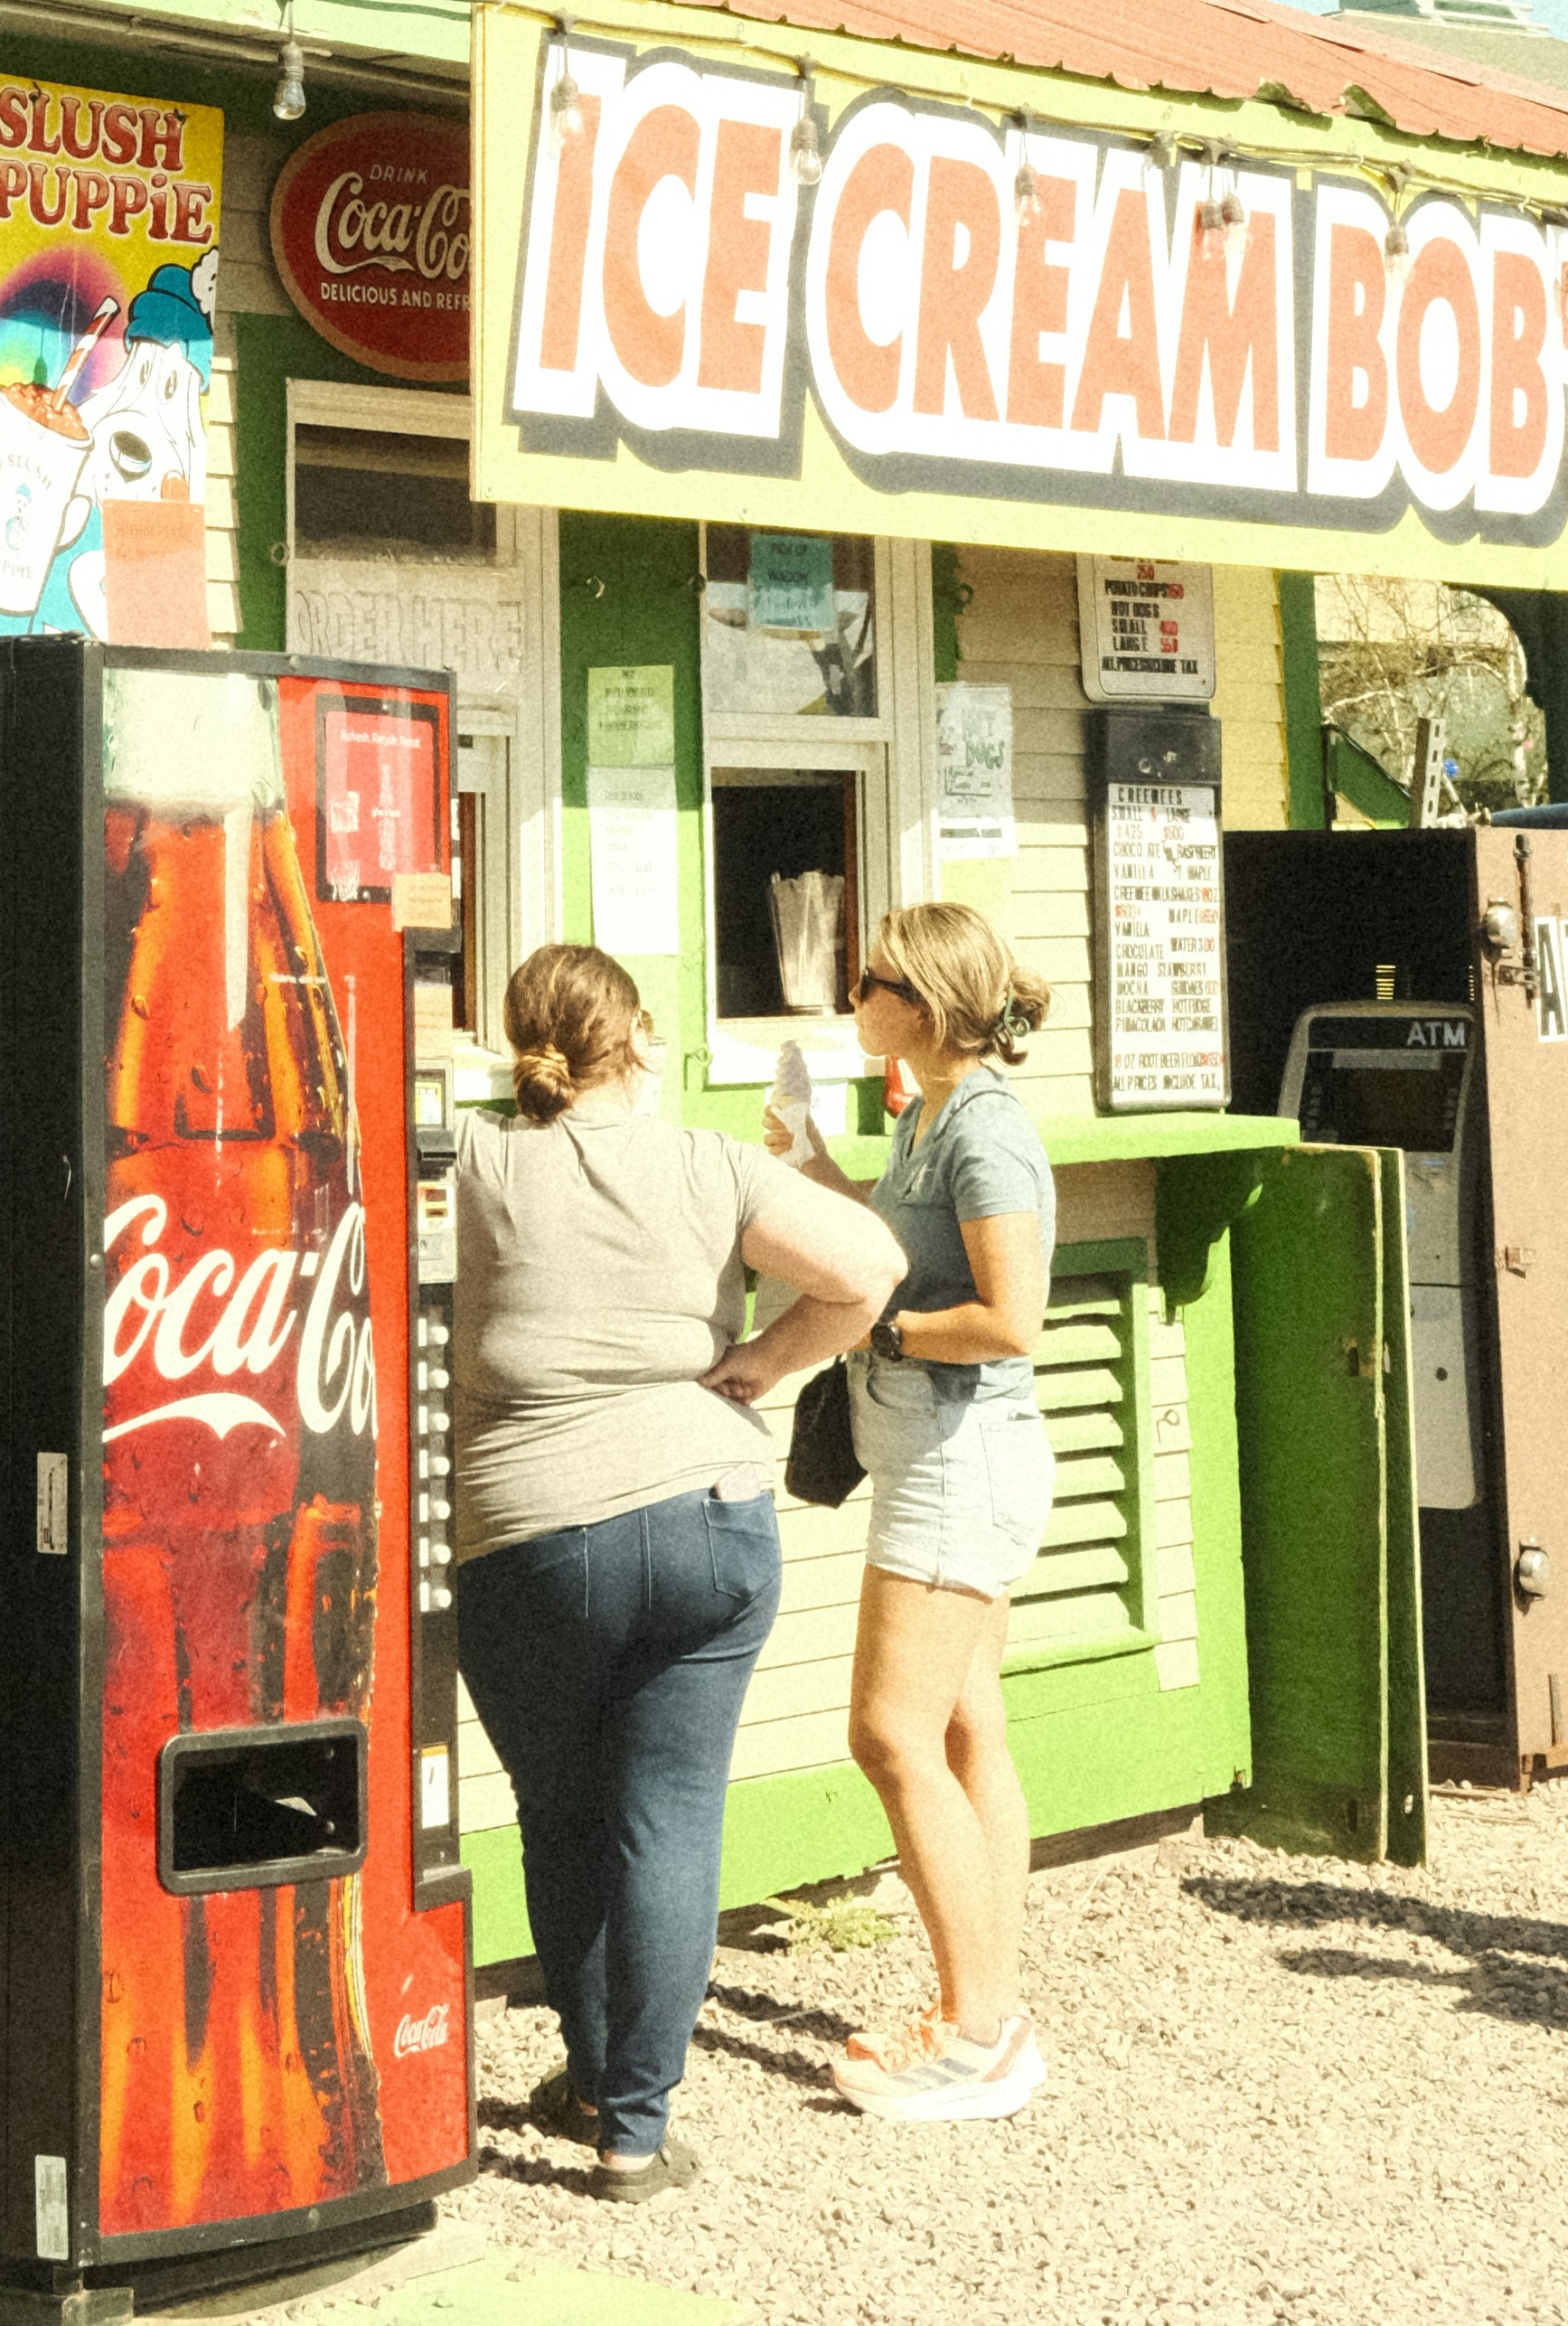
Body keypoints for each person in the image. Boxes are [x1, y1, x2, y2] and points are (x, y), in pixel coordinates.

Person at [451, 939, 906, 2199]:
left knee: (563, 1813)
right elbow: (870, 1268)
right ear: (641, 1038)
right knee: (668, 1818)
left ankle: (593, 2074)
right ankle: (634, 2134)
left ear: (518, 1047)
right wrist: (763, 1361)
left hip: (528, 1531)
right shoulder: (711, 1161)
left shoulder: (477, 1160)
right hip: (707, 1513)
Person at [774, 899, 1061, 2124]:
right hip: (946, 1456)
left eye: (871, 982)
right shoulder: (931, 1114)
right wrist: (816, 1174)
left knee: (890, 1735)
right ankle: (988, 2004)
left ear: (928, 1005)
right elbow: (907, 1245)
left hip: (958, 1459)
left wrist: (878, 1330)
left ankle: (975, 2033)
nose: (854, 1000)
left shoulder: (984, 1131)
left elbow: (1009, 1318)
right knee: (960, 1730)